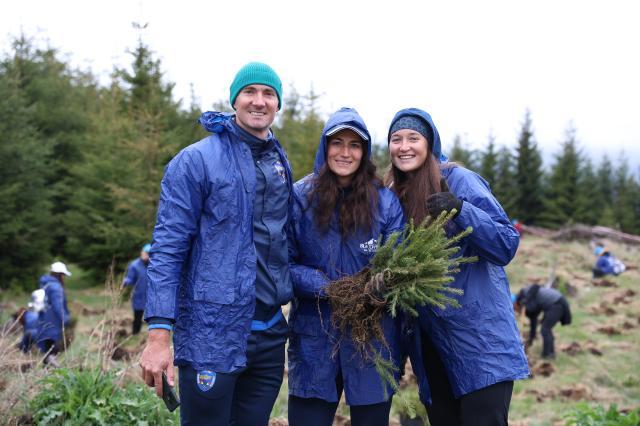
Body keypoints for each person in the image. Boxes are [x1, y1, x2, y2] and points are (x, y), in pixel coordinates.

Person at [140, 62, 294, 426]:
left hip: (270, 336)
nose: (259, 101)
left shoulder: (277, 161)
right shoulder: (196, 161)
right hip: (212, 335)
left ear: (278, 104)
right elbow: (167, 250)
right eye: (250, 92)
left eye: (269, 93)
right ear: (234, 100)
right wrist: (159, 334)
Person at [385, 108, 529, 426]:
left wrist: (462, 210)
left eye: (413, 138)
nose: (404, 146)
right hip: (432, 346)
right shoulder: (393, 195)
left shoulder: (457, 180)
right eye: (396, 139)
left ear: (430, 143)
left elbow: (506, 243)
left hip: (480, 341)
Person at [287, 107, 405, 426]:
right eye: (337, 142)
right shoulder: (301, 198)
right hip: (315, 336)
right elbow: (283, 264)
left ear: (364, 153)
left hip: (372, 340)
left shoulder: (385, 202)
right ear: (324, 147)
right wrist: (328, 289)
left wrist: (382, 285)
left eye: (354, 145)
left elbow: (399, 261)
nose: (345, 152)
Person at [514, 284, 571, 359]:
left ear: (515, 303)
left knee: (545, 329)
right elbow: (533, 318)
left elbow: (535, 287)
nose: (516, 311)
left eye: (514, 308)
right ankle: (550, 354)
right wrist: (532, 337)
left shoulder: (525, 294)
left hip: (557, 303)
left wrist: (526, 302)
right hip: (555, 304)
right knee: (546, 329)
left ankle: (546, 355)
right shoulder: (527, 300)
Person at [37, 261, 72, 366]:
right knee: (54, 349)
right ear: (59, 275)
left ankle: (47, 371)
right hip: (53, 322)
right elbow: (58, 307)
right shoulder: (56, 288)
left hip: (43, 320)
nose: (64, 278)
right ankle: (56, 368)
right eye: (63, 275)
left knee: (46, 349)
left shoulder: (45, 284)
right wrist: (65, 319)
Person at [122, 243, 151, 335]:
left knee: (153, 317)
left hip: (152, 295)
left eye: (148, 253)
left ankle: (152, 336)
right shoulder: (134, 265)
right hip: (139, 295)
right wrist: (125, 282)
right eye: (144, 252)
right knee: (138, 316)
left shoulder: (154, 265)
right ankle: (135, 333)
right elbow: (130, 278)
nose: (145, 255)